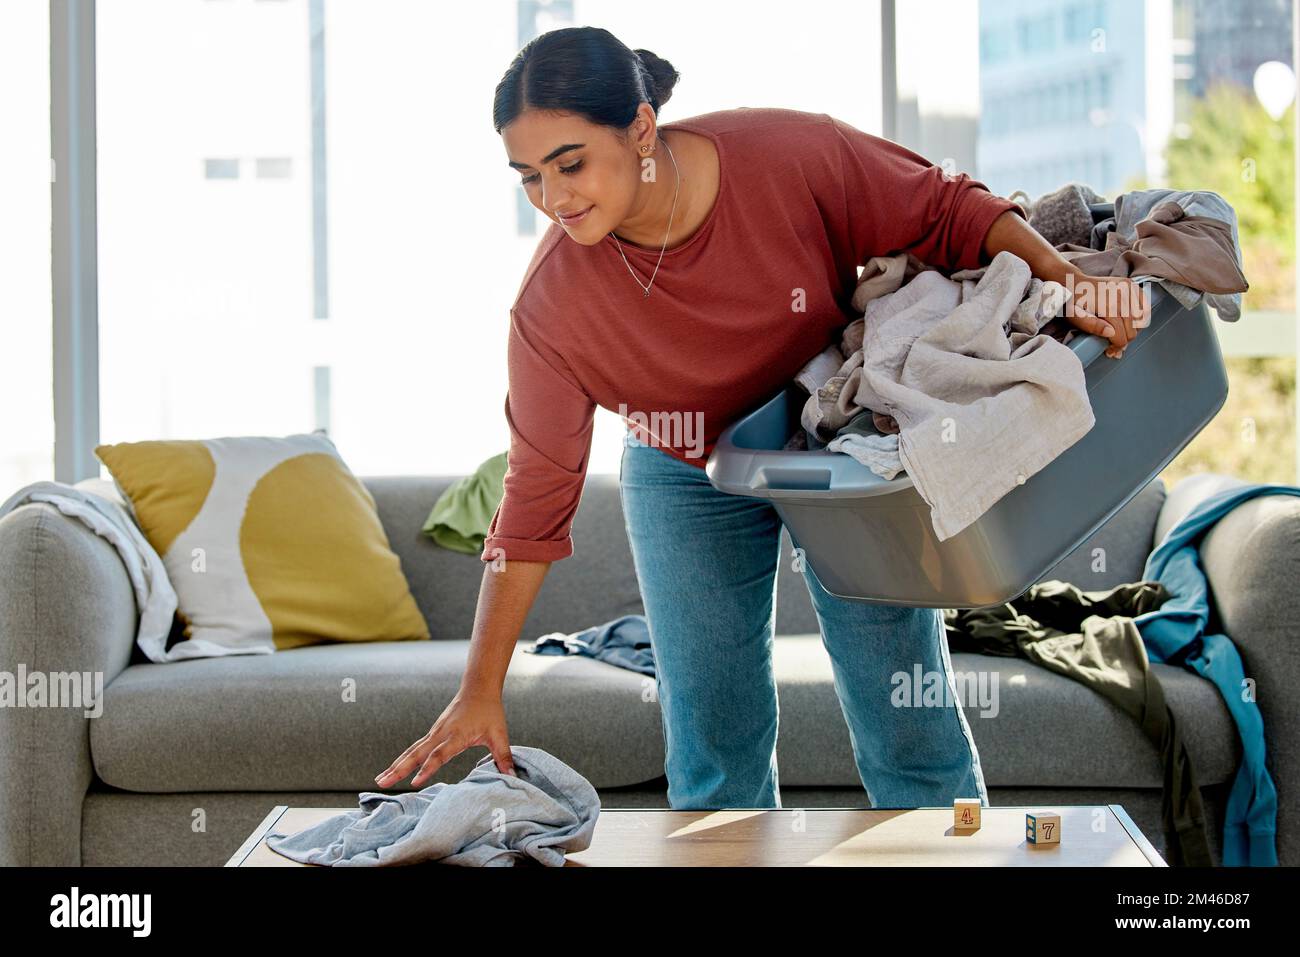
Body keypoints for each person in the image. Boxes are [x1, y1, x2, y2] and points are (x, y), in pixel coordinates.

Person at [375, 25, 1148, 808]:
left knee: (903, 712)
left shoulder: (783, 154)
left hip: (837, 447)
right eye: (529, 178)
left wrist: (1065, 278)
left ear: (641, 128)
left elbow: (941, 207)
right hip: (685, 467)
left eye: (570, 163)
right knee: (714, 744)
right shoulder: (551, 309)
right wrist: (480, 685)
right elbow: (535, 496)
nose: (554, 198)